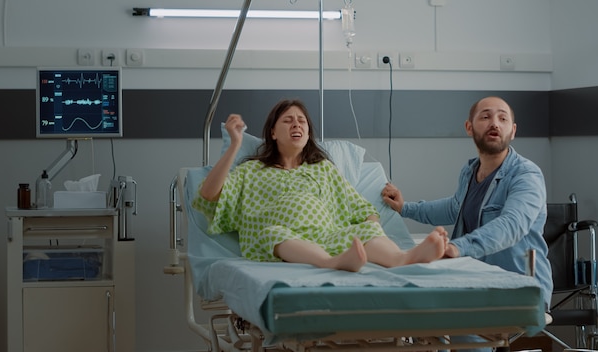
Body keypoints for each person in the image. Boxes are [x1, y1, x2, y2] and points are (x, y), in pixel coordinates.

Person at [193, 98, 449, 272]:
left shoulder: (324, 168)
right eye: (288, 120)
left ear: (308, 133)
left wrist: (373, 229)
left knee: (365, 232)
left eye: (302, 121)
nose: (296, 124)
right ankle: (330, 263)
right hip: (281, 236)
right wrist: (235, 144)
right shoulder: (251, 170)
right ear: (272, 132)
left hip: (328, 235)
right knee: (274, 234)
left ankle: (404, 258)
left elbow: (360, 207)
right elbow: (208, 194)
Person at [381, 96, 553, 350]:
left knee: (460, 329)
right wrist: (405, 208)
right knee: (419, 315)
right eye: (485, 116)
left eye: (503, 118)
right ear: (469, 127)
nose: (495, 123)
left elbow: (512, 224)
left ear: (513, 131)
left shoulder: (526, 175)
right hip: (472, 280)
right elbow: (454, 207)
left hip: (515, 285)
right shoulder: (470, 171)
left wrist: (457, 248)